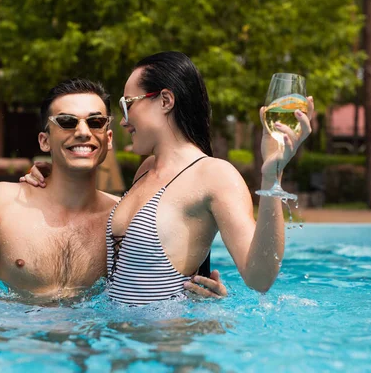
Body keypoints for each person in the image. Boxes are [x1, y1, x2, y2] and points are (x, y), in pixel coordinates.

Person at [23, 51, 314, 306]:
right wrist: (53, 179)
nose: (123, 121)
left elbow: (259, 277)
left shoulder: (214, 175)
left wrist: (271, 175)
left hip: (166, 350)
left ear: (165, 100)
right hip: (118, 346)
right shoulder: (146, 170)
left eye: (128, 105)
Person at [0, 78, 226, 301]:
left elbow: (154, 294)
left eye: (94, 121)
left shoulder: (123, 221)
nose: (83, 131)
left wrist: (202, 300)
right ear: (44, 141)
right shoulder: (3, 202)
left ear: (108, 139)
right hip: (13, 346)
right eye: (67, 122)